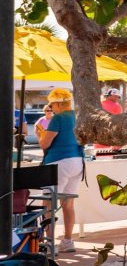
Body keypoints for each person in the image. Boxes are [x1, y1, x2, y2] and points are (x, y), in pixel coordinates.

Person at [38, 88, 84, 253]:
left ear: (57, 103)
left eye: (52, 105)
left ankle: (50, 244)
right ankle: (68, 241)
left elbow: (45, 144)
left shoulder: (58, 118)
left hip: (58, 162)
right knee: (68, 203)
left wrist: (41, 135)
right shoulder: (77, 116)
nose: (51, 108)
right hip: (78, 161)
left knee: (49, 203)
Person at [92, 88, 124, 155]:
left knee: (99, 158)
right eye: (118, 97)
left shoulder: (99, 105)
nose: (118, 99)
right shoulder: (117, 107)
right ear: (113, 96)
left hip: (98, 137)